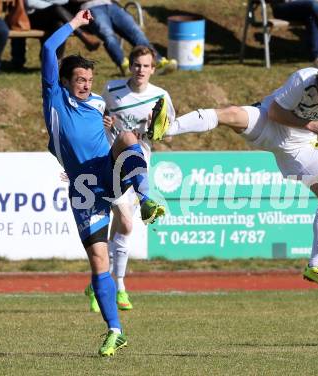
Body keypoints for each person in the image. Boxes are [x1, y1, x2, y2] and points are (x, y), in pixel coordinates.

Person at [154, 65, 318, 289]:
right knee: (231, 114)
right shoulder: (303, 79)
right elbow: (274, 112)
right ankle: (167, 128)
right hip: (271, 123)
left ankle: (316, 264)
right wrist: (309, 123)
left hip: (301, 145)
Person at [41, 10, 164, 356]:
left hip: (107, 171)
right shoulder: (53, 97)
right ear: (64, 80)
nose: (86, 85)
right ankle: (115, 331)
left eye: (89, 80)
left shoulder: (97, 103)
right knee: (98, 261)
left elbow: (112, 135)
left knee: (126, 136)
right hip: (83, 191)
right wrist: (76, 24)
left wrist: (117, 128)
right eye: (80, 79)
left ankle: (146, 198)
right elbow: (49, 48)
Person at [84, 44, 218, 312]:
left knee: (122, 228)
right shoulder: (112, 90)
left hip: (139, 166)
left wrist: (151, 127)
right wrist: (104, 124)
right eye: (136, 65)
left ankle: (100, 282)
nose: (140, 70)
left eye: (146, 66)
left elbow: (166, 132)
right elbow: (97, 118)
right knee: (126, 223)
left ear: (153, 69)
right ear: (129, 67)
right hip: (111, 162)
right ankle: (119, 287)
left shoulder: (161, 96)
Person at [74, 0, 177, 75]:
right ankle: (124, 64)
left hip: (112, 5)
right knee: (108, 34)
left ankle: (158, 61)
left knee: (136, 32)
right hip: (90, 7)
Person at [11, 0, 101, 69]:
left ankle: (55, 63)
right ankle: (83, 35)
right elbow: (31, 3)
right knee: (56, 8)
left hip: (52, 16)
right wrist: (52, 3)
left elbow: (66, 1)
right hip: (30, 18)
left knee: (59, 23)